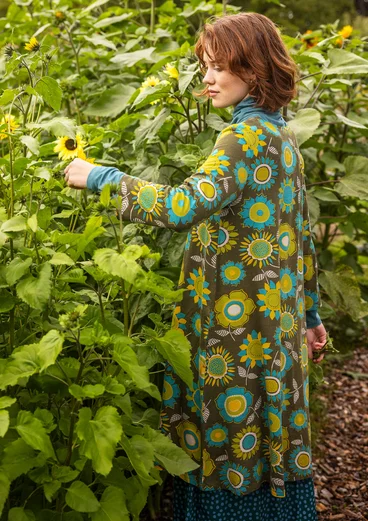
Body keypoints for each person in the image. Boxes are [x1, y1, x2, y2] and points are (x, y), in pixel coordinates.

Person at [64, 11, 327, 521]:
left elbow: (182, 206)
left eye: (219, 66)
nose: (207, 78)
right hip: (277, 324)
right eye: (204, 65)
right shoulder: (283, 138)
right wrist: (312, 316)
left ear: (253, 69)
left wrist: (100, 176)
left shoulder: (240, 140)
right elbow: (302, 237)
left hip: (234, 326)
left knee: (231, 431)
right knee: (267, 428)